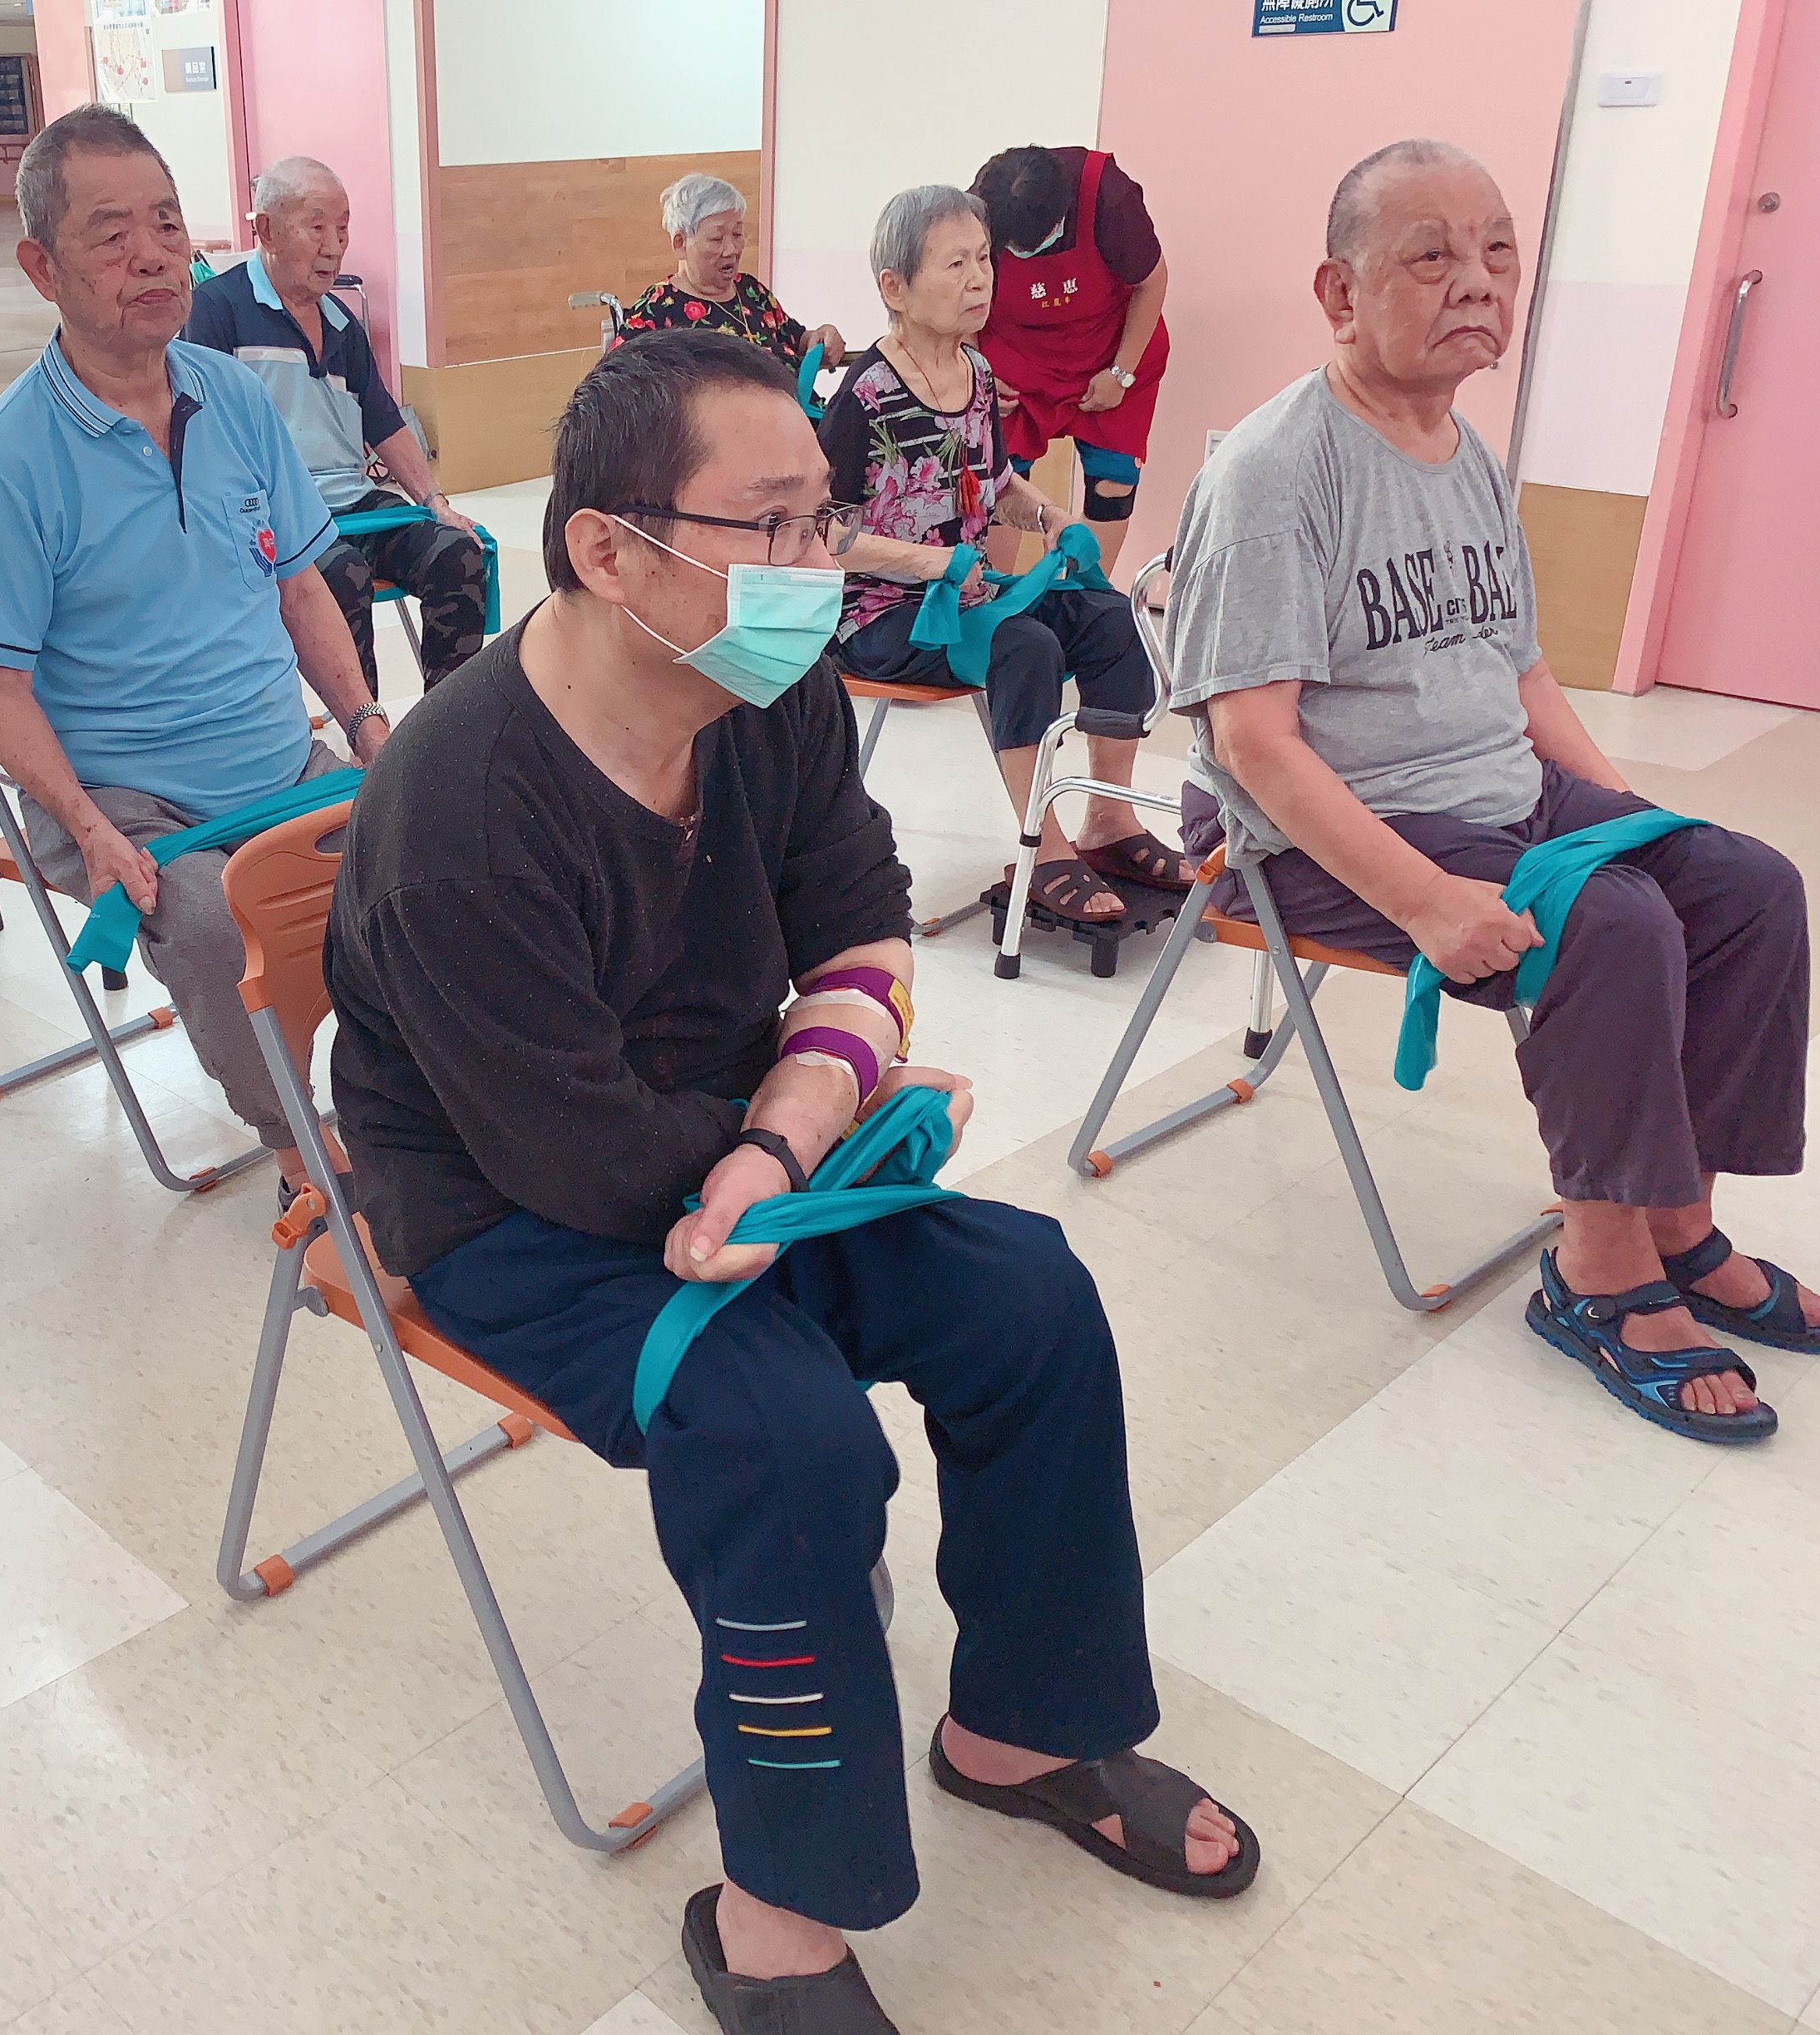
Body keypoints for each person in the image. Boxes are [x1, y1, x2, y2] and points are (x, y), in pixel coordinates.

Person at [324, 332, 1255, 2035]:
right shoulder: (458, 809)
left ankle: (1022, 1725)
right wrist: (800, 1121)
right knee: (786, 1440)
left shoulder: (772, 691)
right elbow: (573, 1155)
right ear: (607, 551)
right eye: (776, 527)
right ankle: (774, 1920)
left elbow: (858, 918)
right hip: (508, 1207)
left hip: (740, 1135)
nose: (821, 573)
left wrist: (796, 1123)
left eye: (829, 523)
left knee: (1029, 1298)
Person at [1171, 140, 1820, 1446]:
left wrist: (1644, 818)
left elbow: (1523, 672)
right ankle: (1596, 1277)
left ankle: (1677, 1222)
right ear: (1339, 293)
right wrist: (1425, 900)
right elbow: (1253, 746)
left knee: (1741, 885)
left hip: (1499, 791)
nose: (1475, 281)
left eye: (1496, 252)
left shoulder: (1467, 453)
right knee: (1612, 926)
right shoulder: (1275, 471)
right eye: (1428, 255)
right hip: (1315, 829)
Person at [0, 106, 390, 1196]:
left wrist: (370, 725)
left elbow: (299, 585)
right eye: (110, 234)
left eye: (168, 222)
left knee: (436, 866)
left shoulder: (232, 396)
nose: (154, 254)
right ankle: (299, 1155)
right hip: (125, 800)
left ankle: (410, 1103)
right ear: (41, 267)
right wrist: (87, 828)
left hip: (276, 770)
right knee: (206, 926)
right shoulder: (11, 460)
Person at [821, 186, 1193, 924]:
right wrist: (931, 565)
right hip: (881, 613)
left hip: (969, 595)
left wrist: (1055, 519)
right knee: (1023, 645)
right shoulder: (864, 395)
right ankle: (1041, 848)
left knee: (1110, 617)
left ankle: (1107, 823)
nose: (980, 279)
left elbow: (995, 483)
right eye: (955, 263)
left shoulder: (980, 375)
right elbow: (824, 534)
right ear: (894, 288)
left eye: (984, 260)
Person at [186, 155, 487, 695]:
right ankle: (368, 744)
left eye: (343, 227)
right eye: (317, 225)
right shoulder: (216, 309)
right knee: (340, 576)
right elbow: (200, 433)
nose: (334, 244)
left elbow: (383, 421)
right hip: (277, 513)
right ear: (268, 230)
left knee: (456, 553)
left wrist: (435, 499)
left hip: (355, 503)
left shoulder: (341, 322)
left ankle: (449, 727)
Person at [970, 145, 1171, 576]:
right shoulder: (981, 208)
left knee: (1112, 487)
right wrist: (977, 372)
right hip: (1015, 362)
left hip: (1109, 353)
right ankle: (990, 606)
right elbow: (961, 298)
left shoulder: (1107, 196)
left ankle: (1082, 608)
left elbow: (1152, 281)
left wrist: (1121, 372)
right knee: (997, 486)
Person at [620, 173, 844, 383]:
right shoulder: (657, 309)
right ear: (680, 243)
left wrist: (822, 337)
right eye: (717, 239)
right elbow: (618, 386)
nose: (731, 250)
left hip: (800, 417)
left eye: (737, 234)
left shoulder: (751, 291)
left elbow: (798, 340)